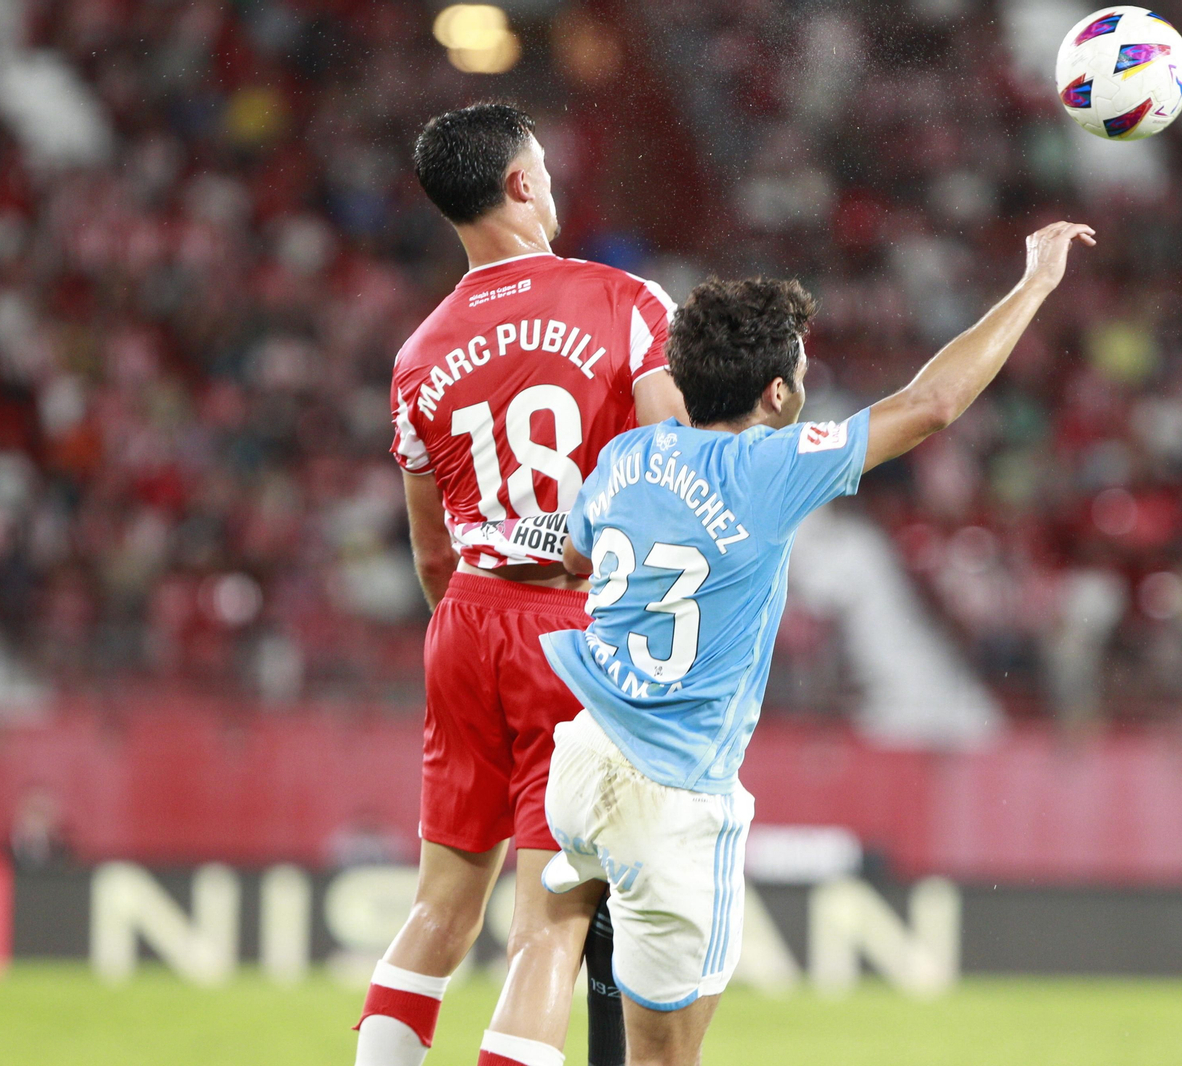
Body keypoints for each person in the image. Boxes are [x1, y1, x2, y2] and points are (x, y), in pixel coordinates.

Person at [538, 221, 1094, 1065]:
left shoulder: (625, 455)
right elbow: (931, 405)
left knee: (577, 960)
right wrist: (1035, 286)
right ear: (775, 395)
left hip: (579, 760)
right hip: (674, 794)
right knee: (664, 1058)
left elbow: (576, 561)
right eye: (797, 365)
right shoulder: (770, 468)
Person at [356, 103, 688, 1066]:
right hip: (573, 628)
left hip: (463, 617)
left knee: (437, 910)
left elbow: (429, 552)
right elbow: (667, 470)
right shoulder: (626, 301)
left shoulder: (417, 353)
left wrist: (479, 626)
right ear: (521, 184)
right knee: (548, 924)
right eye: (543, 163)